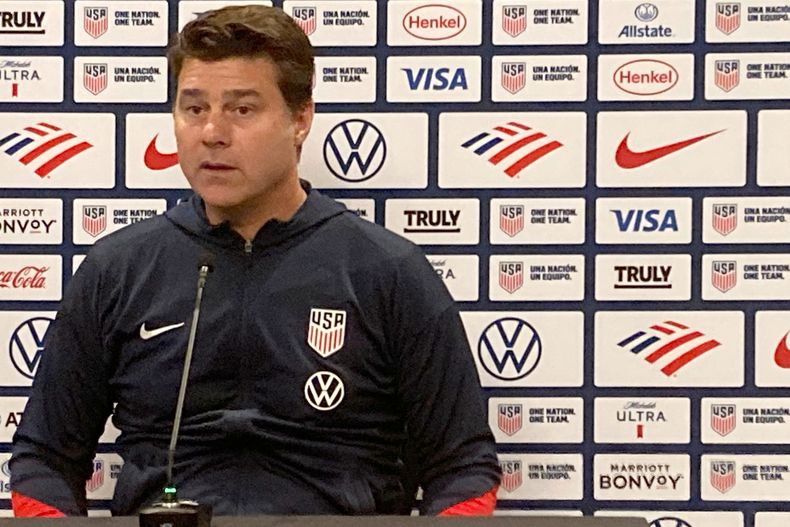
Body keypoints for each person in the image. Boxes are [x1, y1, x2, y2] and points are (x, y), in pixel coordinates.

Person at [10, 5, 500, 517]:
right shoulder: (117, 269)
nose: (212, 133)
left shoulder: (388, 271)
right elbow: (43, 460)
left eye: (242, 109)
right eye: (193, 109)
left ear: (300, 119)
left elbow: (462, 467)